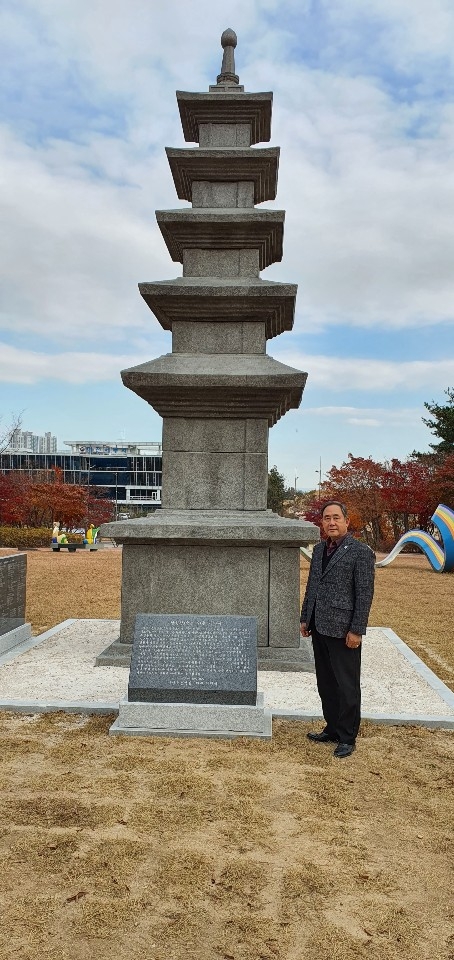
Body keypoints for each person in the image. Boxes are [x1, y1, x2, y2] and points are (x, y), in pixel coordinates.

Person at [301, 501, 375, 759]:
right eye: (326, 518)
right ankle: (332, 728)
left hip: (344, 630)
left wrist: (357, 630)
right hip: (319, 626)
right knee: (326, 683)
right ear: (322, 522)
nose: (331, 522)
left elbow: (364, 594)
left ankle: (347, 737)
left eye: (336, 518)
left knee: (346, 685)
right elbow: (312, 586)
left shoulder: (360, 552)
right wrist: (305, 618)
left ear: (346, 521)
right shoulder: (319, 549)